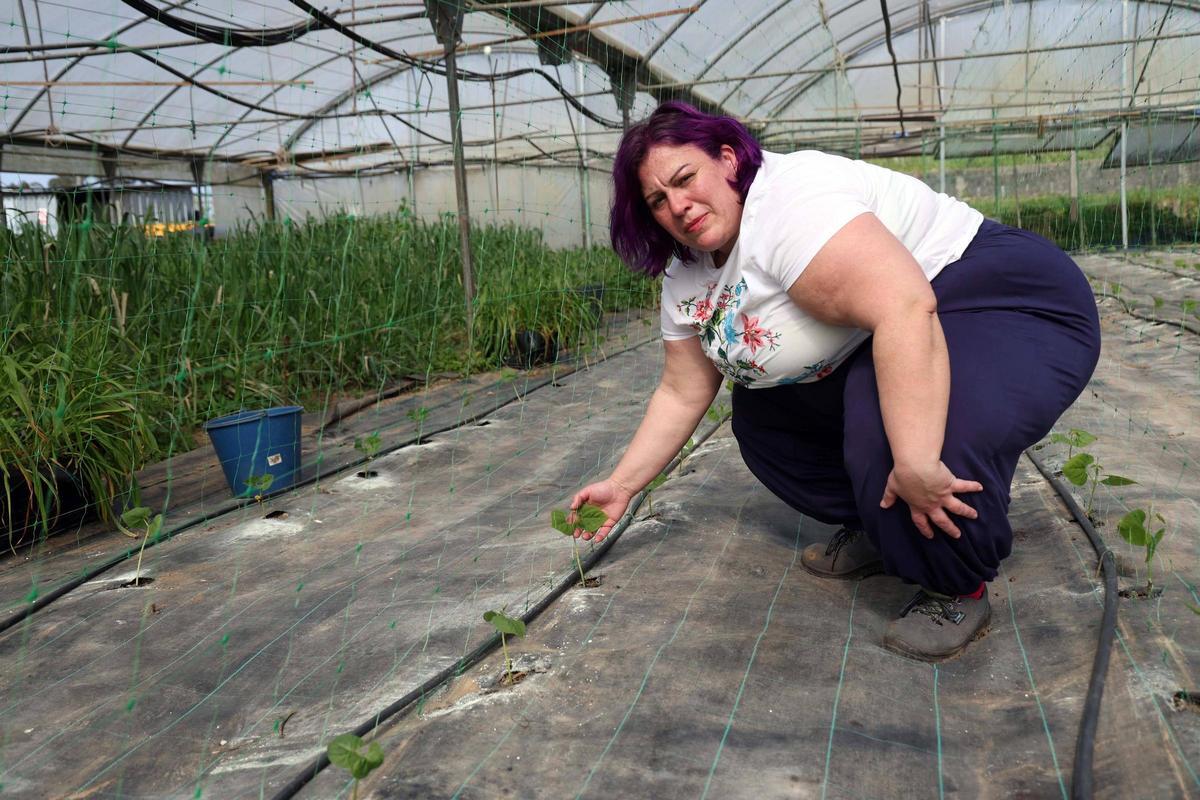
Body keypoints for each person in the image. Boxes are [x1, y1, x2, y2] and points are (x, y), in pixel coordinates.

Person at [568, 101, 1101, 662]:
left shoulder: (789, 206)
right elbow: (682, 389)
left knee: (903, 433)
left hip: (994, 294)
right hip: (895, 320)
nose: (678, 205)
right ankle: (884, 525)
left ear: (726, 160)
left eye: (685, 178)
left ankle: (955, 585)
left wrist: (916, 461)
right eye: (658, 200)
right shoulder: (686, 274)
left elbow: (905, 307)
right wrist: (624, 486)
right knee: (765, 420)